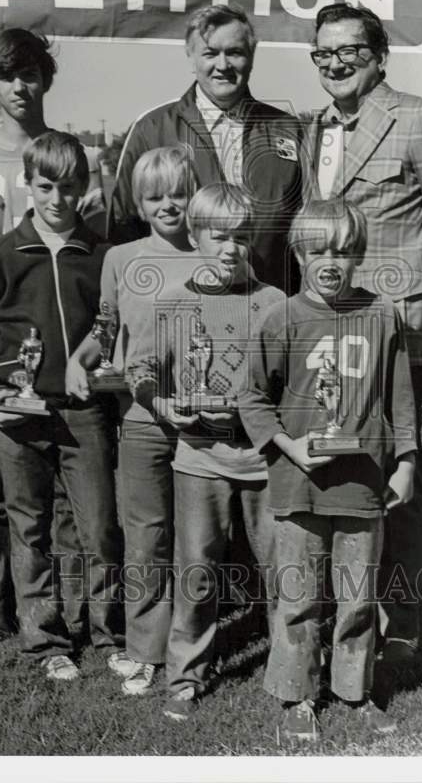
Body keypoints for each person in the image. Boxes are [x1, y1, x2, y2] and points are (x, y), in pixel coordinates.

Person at [304, 3, 422, 661]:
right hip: (330, 328)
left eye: (348, 50)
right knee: (337, 459)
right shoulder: (315, 127)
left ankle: (398, 621)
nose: (334, 62)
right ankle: (337, 611)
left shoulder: (415, 116)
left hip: (398, 327)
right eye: (321, 52)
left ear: (379, 55)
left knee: (395, 467)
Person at [239, 199, 419, 742]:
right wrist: (288, 446)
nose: (331, 261)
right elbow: (251, 397)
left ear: (359, 254)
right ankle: (297, 695)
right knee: (298, 594)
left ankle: (354, 690)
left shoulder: (383, 316)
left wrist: (406, 461)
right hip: (299, 485)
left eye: (343, 250)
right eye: (317, 250)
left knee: (357, 593)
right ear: (298, 254)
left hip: (362, 485)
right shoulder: (282, 318)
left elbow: (401, 400)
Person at [0, 29, 103, 661]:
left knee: (61, 503)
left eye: (31, 74)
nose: (20, 86)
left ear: (45, 79)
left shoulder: (70, 156)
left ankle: (62, 618)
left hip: (60, 349)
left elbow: (93, 252)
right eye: (7, 75)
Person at [127, 183, 285, 721]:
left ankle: (291, 666)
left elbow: (296, 384)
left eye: (241, 237)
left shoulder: (273, 303)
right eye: (218, 236)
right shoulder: (173, 301)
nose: (230, 248)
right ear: (195, 237)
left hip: (265, 459)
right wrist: (163, 404)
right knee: (196, 568)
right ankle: (186, 674)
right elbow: (140, 370)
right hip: (198, 456)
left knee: (281, 566)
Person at [66, 146, 202, 697]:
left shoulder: (216, 255)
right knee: (146, 535)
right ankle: (145, 649)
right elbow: (105, 327)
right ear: (139, 205)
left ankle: (191, 645)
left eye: (179, 192)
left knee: (198, 538)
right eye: (155, 196)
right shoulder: (120, 258)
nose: (169, 204)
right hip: (141, 417)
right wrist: (80, 361)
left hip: (201, 419)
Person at [107, 3, 308, 294]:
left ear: (252, 55)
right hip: (180, 309)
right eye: (211, 53)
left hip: (270, 311)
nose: (223, 65)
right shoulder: (152, 130)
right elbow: (123, 227)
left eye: (235, 52)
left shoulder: (289, 131)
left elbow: (308, 235)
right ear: (191, 57)